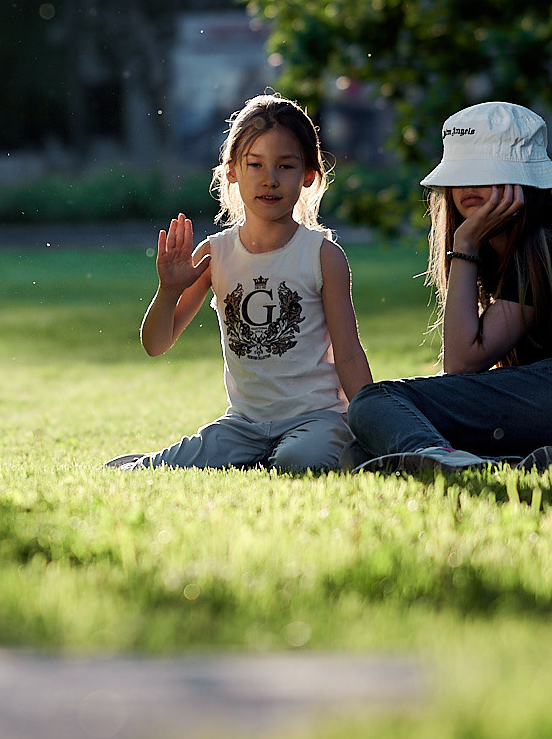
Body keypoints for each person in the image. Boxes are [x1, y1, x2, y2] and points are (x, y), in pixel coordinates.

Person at [349, 101, 552, 474]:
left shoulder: (549, 241)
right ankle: (545, 461)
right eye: (460, 173)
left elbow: (463, 363)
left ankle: (444, 460)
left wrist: (463, 247)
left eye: (484, 171)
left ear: (524, 178)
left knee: (377, 400)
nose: (467, 185)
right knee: (363, 447)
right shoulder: (508, 250)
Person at [109, 95, 372, 472]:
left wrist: (370, 424)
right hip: (243, 426)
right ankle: (148, 463)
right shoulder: (215, 254)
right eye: (255, 164)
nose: (270, 179)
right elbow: (155, 344)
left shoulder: (323, 256)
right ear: (232, 170)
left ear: (308, 175)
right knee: (168, 466)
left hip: (317, 417)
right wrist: (167, 291)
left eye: (285, 165)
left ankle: (309, 450)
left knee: (299, 459)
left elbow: (348, 353)